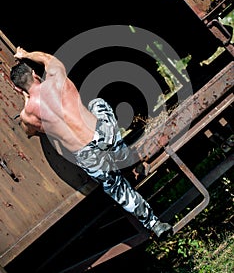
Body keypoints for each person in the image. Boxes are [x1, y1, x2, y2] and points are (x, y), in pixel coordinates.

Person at [10, 46, 172, 239]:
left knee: (119, 190)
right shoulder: (56, 79)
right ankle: (123, 154)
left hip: (88, 156)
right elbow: (46, 57)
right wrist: (26, 55)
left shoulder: (27, 115)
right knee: (97, 104)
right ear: (35, 74)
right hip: (103, 134)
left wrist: (27, 100)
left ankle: (155, 224)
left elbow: (29, 132)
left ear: (17, 88)